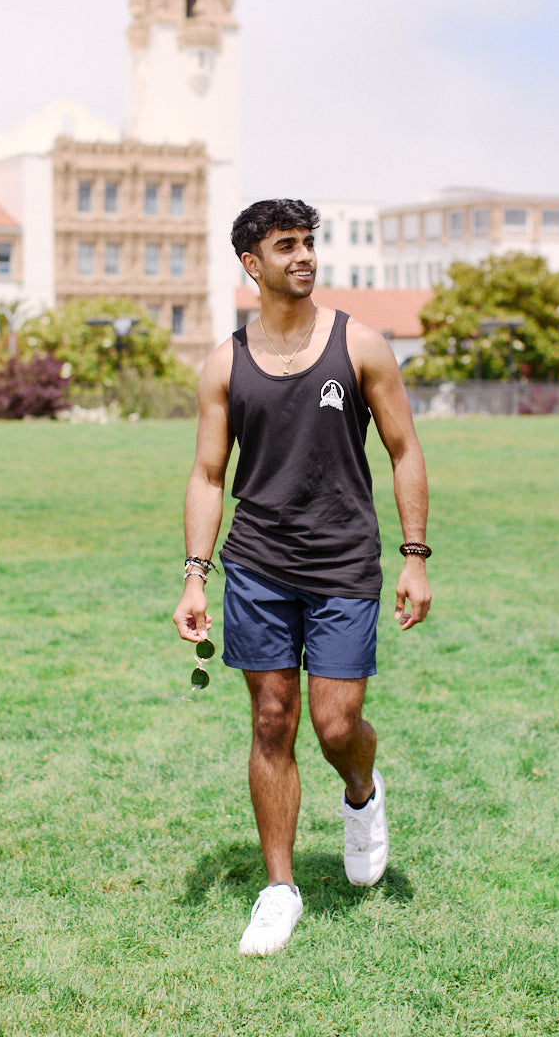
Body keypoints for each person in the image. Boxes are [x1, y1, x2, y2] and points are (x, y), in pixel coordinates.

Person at [173, 199, 431, 956]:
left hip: (345, 561)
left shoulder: (361, 345)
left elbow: (404, 449)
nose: (304, 256)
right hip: (257, 562)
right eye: (287, 246)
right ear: (252, 264)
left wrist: (415, 556)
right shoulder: (225, 362)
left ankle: (362, 793)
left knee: (335, 725)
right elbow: (208, 473)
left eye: (309, 243)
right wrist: (196, 576)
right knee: (270, 720)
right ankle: (278, 889)